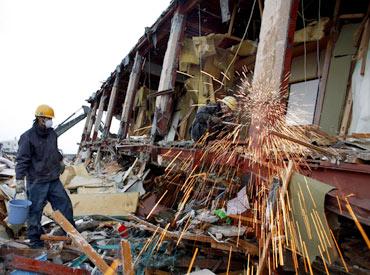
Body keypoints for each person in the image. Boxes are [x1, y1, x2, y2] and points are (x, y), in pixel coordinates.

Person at [15, 104, 74, 248]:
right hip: (36, 182)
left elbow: (53, 151)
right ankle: (35, 241)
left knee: (65, 205)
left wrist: (60, 160)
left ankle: (72, 234)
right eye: (46, 118)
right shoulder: (27, 137)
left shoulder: (52, 134)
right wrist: (19, 180)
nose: (49, 120)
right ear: (39, 118)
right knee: (35, 212)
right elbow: (22, 159)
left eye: (50, 118)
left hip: (53, 180)